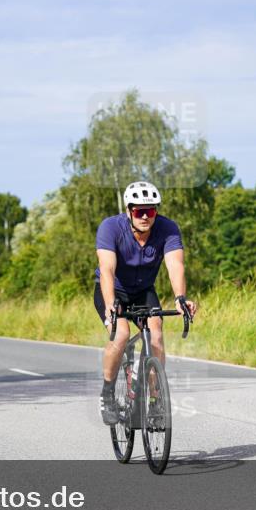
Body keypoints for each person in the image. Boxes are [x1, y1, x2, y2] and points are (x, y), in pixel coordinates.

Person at [95, 181, 197, 425]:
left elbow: (175, 265)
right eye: (139, 210)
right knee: (120, 334)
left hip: (143, 290)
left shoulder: (167, 229)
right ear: (129, 210)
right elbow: (107, 270)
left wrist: (180, 297)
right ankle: (107, 394)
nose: (144, 216)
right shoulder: (110, 227)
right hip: (113, 291)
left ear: (156, 212)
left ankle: (154, 401)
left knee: (156, 336)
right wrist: (110, 304)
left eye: (149, 211)